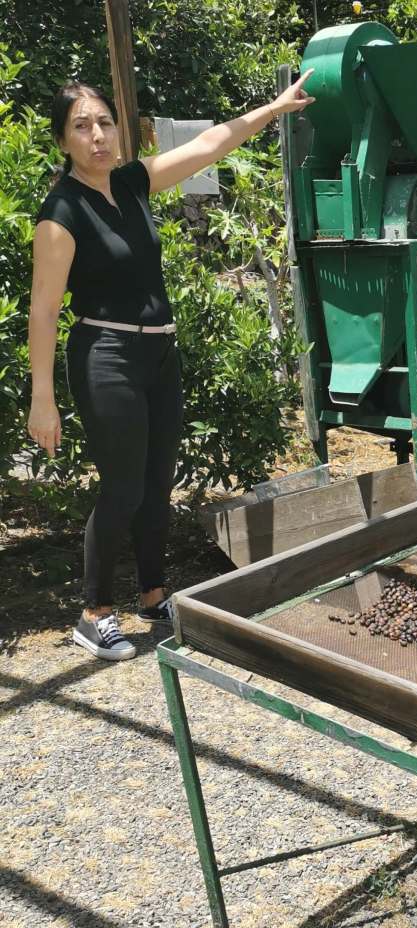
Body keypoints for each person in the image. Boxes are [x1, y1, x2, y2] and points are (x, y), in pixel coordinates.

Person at [27, 70, 315, 661]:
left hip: (159, 351)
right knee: (123, 489)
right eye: (82, 127)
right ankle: (94, 612)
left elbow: (208, 145)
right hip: (106, 355)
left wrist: (274, 109)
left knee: (158, 483)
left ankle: (153, 594)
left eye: (105, 122)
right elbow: (44, 309)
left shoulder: (131, 184)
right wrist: (42, 397)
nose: (98, 135)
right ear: (63, 141)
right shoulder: (62, 212)